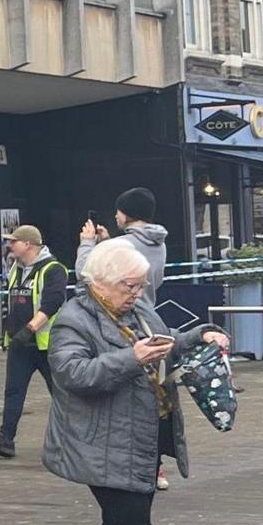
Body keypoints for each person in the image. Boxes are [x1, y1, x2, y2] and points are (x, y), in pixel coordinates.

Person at [41, 241, 229, 525]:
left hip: (139, 432)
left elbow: (163, 341)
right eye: (130, 285)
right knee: (132, 524)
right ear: (102, 283)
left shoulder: (136, 308)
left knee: (123, 518)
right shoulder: (73, 320)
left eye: (141, 285)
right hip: (98, 439)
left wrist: (199, 335)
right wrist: (133, 359)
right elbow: (73, 374)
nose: (137, 293)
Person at [78, 187, 171, 485]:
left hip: (122, 324)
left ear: (127, 212)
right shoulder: (158, 243)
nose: (115, 215)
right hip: (151, 321)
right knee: (153, 397)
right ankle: (156, 466)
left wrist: (87, 244)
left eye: (118, 210)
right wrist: (108, 244)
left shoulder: (124, 243)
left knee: (129, 400)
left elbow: (87, 274)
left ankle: (133, 467)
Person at [0, 224, 68, 459]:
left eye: (13, 241)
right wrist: (12, 332)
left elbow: (52, 303)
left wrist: (30, 329)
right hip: (21, 344)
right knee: (13, 392)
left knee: (62, 395)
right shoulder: (16, 268)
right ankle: (5, 439)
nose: (9, 245)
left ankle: (74, 440)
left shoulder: (54, 269)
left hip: (48, 345)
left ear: (28, 244)